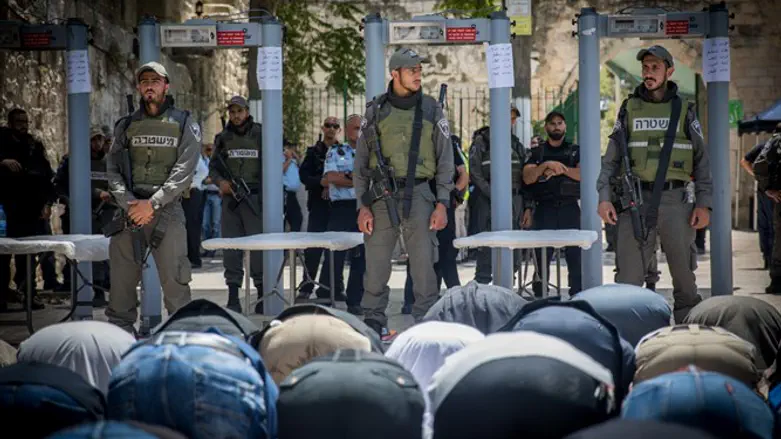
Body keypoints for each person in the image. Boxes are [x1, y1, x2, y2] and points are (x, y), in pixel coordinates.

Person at [596, 45, 712, 323]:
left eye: (655, 67)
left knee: (684, 278)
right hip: (635, 202)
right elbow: (610, 160)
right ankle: (633, 337)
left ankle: (688, 336)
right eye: (645, 67)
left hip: (676, 203)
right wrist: (604, 197)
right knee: (628, 280)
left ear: (669, 71)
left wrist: (705, 204)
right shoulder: (628, 109)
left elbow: (702, 161)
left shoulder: (685, 110)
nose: (648, 73)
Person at [354, 47, 454, 337]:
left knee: (424, 264)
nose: (418, 75)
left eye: (420, 70)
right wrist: (362, 205)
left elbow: (445, 159)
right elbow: (360, 162)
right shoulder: (374, 111)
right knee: (376, 262)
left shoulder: (432, 109)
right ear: (394, 73)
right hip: (381, 197)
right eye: (412, 70)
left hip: (422, 195)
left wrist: (442, 203)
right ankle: (373, 318)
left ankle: (426, 320)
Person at [106, 61, 201, 333]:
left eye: (155, 80)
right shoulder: (125, 125)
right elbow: (113, 169)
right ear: (139, 87)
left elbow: (185, 168)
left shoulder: (183, 122)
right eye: (144, 80)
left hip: (167, 211)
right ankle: (120, 340)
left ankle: (180, 340)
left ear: (166, 86)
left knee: (175, 284)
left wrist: (154, 202)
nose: (149, 85)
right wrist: (129, 203)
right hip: (130, 213)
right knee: (121, 286)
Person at [209, 95, 263, 314]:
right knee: (231, 248)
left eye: (239, 111)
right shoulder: (223, 138)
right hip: (231, 200)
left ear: (247, 112)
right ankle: (233, 297)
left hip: (254, 199)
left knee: (258, 248)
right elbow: (213, 168)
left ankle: (261, 294)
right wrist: (221, 183)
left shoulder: (260, 134)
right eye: (232, 112)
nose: (236, 116)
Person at [402, 133, 468, 314]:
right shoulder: (411, 141)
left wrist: (452, 192)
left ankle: (456, 299)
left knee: (446, 252)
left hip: (443, 203)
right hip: (419, 202)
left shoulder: (448, 143)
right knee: (418, 252)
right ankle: (410, 301)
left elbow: (463, 174)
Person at [0, 108, 56, 311]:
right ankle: (2, 295)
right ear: (10, 122)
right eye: (18, 121)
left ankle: (28, 293)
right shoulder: (3, 140)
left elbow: (47, 177)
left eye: (25, 121)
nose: (23, 125)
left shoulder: (33, 145)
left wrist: (47, 203)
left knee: (28, 253)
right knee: (2, 255)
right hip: (6, 207)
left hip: (29, 208)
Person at [53, 126, 115, 305]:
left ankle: (103, 289)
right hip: (81, 213)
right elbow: (61, 185)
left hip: (105, 212)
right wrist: (75, 200)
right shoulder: (74, 161)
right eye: (93, 140)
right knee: (82, 253)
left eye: (100, 139)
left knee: (105, 254)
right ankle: (83, 289)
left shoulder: (109, 162)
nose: (97, 144)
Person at [522, 111, 582, 296]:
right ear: (546, 127)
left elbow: (583, 175)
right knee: (542, 257)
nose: (556, 126)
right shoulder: (537, 152)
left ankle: (577, 296)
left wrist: (560, 169)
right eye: (552, 123)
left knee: (575, 257)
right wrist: (545, 165)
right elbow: (527, 178)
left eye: (560, 123)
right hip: (544, 208)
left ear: (565, 126)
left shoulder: (575, 151)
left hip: (569, 208)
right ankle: (541, 297)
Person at [312, 114, 365, 313]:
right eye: (354, 128)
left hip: (362, 207)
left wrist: (350, 177)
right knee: (335, 256)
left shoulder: (370, 153)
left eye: (361, 128)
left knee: (362, 257)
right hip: (342, 208)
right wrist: (359, 179)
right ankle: (330, 296)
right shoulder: (336, 151)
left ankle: (355, 301)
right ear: (346, 130)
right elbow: (333, 177)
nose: (358, 132)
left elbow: (376, 178)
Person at [468, 108, 526, 285]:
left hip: (514, 201)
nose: (510, 122)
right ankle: (482, 292)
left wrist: (526, 205)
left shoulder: (515, 143)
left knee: (513, 249)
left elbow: (524, 173)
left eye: (513, 119)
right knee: (487, 248)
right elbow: (475, 173)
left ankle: (508, 289)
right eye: (507, 117)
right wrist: (494, 195)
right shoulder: (482, 141)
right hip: (488, 201)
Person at [298, 117, 340, 298]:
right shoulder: (313, 152)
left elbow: (349, 174)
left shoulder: (343, 151)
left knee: (336, 249)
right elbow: (304, 176)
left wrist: (331, 185)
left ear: (339, 129)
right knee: (313, 249)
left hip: (337, 205)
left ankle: (332, 288)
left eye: (335, 126)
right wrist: (321, 183)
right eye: (328, 125)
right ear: (323, 128)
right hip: (317, 205)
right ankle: (306, 288)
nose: (331, 129)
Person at [743, 130, 778, 270]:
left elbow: (744, 162)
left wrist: (756, 176)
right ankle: (772, 258)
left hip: (764, 189)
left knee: (765, 225)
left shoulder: (763, 146)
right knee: (772, 225)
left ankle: (768, 258)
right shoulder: (772, 148)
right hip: (772, 191)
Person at [182, 136, 209, 268]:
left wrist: (191, 182)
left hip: (192, 193)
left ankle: (194, 258)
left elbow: (204, 171)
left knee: (192, 227)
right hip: (184, 193)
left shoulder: (192, 154)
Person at [200, 143, 221, 257]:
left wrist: (211, 179)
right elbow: (202, 179)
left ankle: (214, 248)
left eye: (211, 150)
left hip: (217, 194)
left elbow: (216, 178)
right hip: (206, 194)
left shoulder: (218, 163)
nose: (210, 152)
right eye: (208, 150)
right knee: (205, 224)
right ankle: (207, 247)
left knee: (216, 223)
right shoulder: (203, 162)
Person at [283, 140, 303, 232]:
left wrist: (295, 157)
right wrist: (289, 159)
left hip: (292, 194)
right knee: (293, 219)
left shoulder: (294, 160)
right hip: (284, 193)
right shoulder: (282, 158)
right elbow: (279, 170)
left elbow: (301, 166)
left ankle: (291, 245)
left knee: (297, 219)